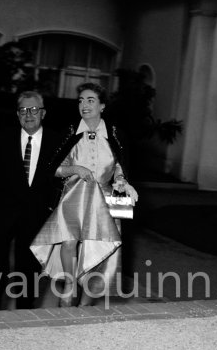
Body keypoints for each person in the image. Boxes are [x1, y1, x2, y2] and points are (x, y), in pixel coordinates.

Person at [30, 82, 138, 306]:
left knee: (99, 252)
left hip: (106, 202)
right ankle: (69, 285)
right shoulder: (70, 133)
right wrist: (75, 169)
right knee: (68, 241)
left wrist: (123, 182)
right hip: (74, 196)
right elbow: (54, 168)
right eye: (81, 100)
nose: (84, 105)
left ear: (102, 106)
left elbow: (120, 167)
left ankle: (85, 304)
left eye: (90, 100)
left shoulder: (115, 134)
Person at [0, 90, 60, 310]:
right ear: (17, 114)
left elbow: (62, 181)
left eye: (34, 109)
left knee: (30, 267)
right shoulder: (2, 139)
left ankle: (25, 311)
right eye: (23, 110)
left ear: (43, 113)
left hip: (37, 215)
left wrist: (54, 213)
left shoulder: (57, 142)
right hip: (2, 213)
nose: (29, 114)